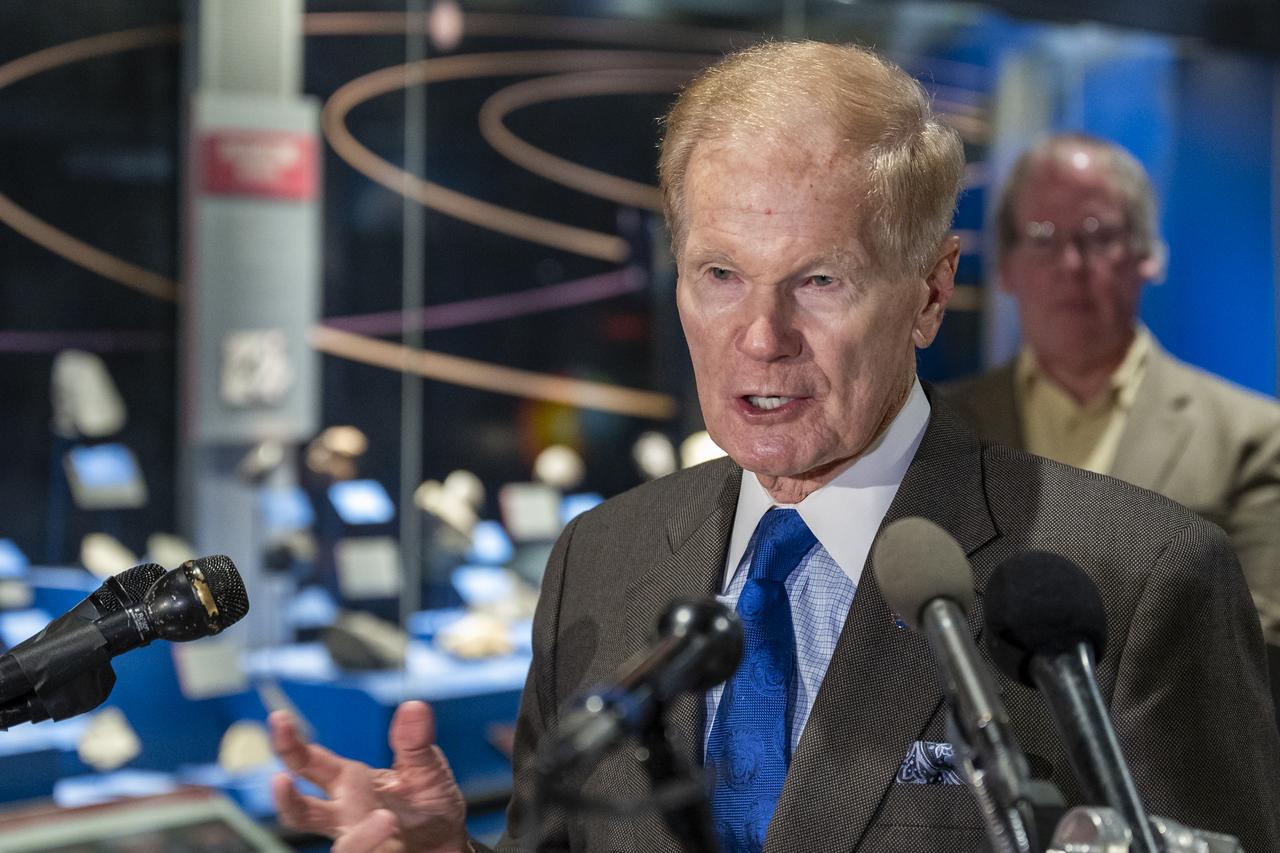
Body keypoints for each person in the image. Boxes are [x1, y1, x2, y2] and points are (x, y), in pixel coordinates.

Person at [269, 42, 1280, 852]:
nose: (759, 336)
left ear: (930, 291)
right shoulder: (600, 561)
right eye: (719, 274)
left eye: (819, 281)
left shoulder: (1136, 579)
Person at [946, 133, 1280, 645]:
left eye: (1098, 235)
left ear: (1149, 254)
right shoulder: (943, 426)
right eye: (1041, 235)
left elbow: (1258, 636)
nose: (1072, 265)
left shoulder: (1252, 439)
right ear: (1006, 267)